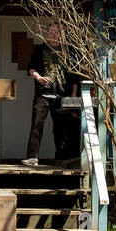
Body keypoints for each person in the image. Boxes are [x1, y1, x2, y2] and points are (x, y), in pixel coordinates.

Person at [22, 24, 77, 166]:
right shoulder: (41, 49)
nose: (53, 35)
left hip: (61, 96)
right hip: (43, 95)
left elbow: (74, 75)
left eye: (56, 32)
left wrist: (73, 94)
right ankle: (32, 157)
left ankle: (61, 158)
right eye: (51, 32)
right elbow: (31, 69)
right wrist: (39, 78)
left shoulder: (68, 51)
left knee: (60, 129)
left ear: (61, 34)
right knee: (36, 125)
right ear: (48, 33)